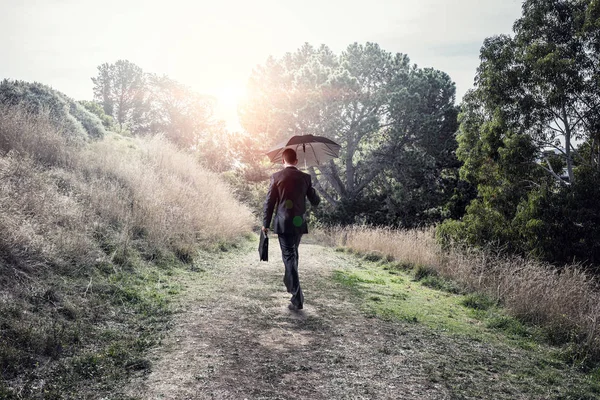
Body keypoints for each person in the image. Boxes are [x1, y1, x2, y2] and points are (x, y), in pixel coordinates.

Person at [262, 148, 320, 311]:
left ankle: (297, 297)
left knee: (289, 257)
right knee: (293, 255)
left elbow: (269, 203)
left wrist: (265, 223)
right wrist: (310, 186)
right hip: (298, 223)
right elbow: (315, 201)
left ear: (283, 161)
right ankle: (290, 282)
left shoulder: (276, 177)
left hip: (283, 223)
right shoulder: (305, 177)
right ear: (296, 161)